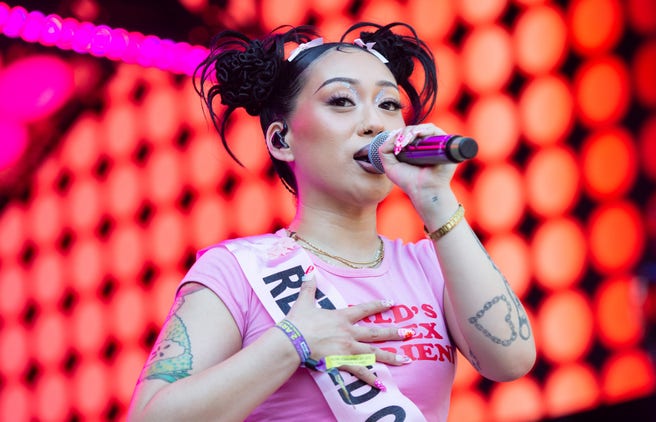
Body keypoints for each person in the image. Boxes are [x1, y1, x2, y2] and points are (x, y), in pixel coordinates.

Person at [128, 21, 536, 421]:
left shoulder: (431, 264)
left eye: (389, 104)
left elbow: (511, 360)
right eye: (341, 101)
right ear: (281, 140)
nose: (375, 123)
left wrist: (435, 199)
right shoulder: (236, 271)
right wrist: (292, 343)